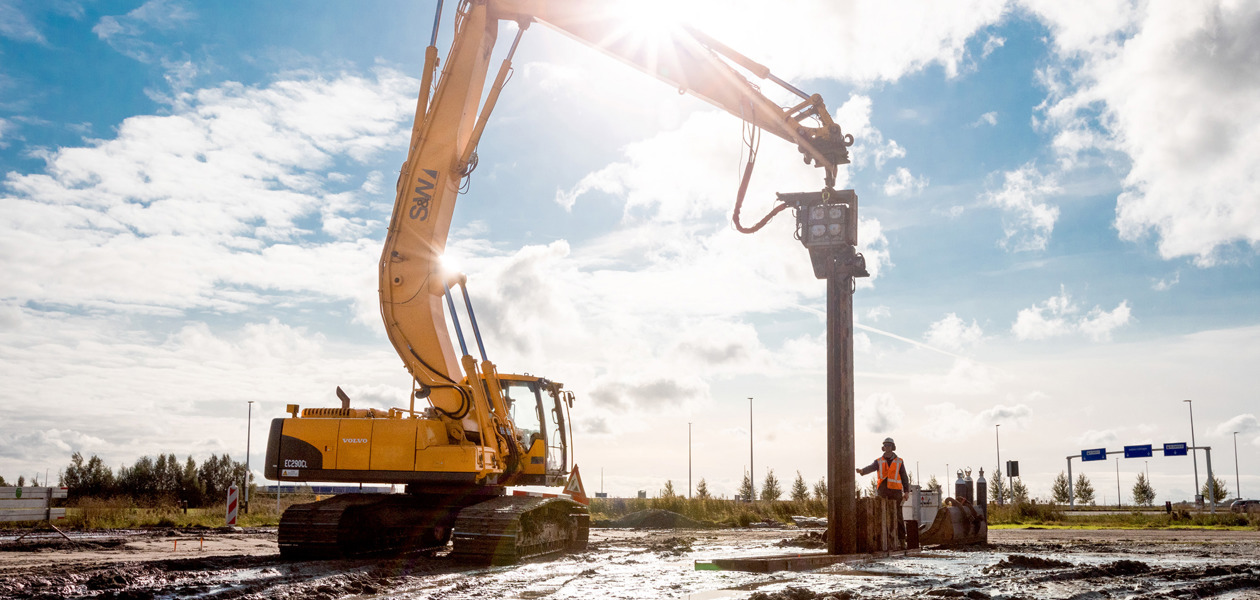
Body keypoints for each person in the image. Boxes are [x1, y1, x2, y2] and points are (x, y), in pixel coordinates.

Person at [857, 437, 910, 546]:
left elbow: (904, 477)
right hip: (883, 491)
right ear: (883, 447)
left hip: (895, 491)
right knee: (881, 514)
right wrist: (862, 471)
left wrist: (906, 491)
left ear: (893, 447)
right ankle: (882, 540)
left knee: (898, 516)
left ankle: (901, 541)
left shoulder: (899, 461)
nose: (887, 447)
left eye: (889, 445)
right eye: (885, 445)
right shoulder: (879, 461)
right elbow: (871, 468)